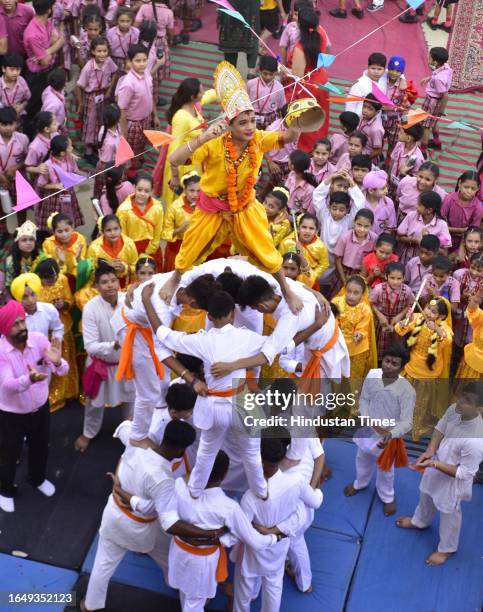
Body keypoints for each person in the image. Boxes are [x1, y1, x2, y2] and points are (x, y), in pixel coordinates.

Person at [164, 61, 303, 314]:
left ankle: (286, 289)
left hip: (245, 205)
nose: (250, 127)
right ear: (229, 124)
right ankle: (175, 279)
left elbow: (289, 137)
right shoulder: (214, 142)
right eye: (243, 123)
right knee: (191, 247)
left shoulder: (258, 140)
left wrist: (296, 117)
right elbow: (174, 159)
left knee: (266, 249)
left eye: (252, 120)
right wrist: (202, 138)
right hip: (212, 206)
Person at [142, 288, 270, 499]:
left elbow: (163, 334)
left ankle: (194, 492)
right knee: (251, 454)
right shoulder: (248, 338)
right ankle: (262, 494)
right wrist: (316, 325)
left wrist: (147, 303)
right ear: (232, 314)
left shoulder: (202, 340)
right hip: (241, 403)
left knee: (206, 454)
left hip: (213, 405)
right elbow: (280, 346)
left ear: (208, 316)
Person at [80, 420, 221, 612]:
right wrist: (209, 534)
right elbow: (170, 523)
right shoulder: (163, 479)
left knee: (103, 565)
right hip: (141, 530)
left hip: (113, 516)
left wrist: (119, 483)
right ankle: (185, 591)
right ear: (181, 451)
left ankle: (90, 606)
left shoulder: (135, 443)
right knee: (167, 552)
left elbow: (121, 427)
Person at [166, 450, 280, 612]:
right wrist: (276, 537)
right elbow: (255, 541)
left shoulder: (179, 485)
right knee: (193, 604)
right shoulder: (228, 507)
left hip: (178, 549)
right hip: (202, 561)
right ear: (224, 475)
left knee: (187, 594)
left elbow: (168, 517)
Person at [396, 383, 483, 565]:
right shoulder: (455, 409)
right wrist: (431, 449)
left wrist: (434, 463)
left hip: (453, 483)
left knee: (449, 513)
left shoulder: (476, 441)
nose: (460, 402)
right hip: (436, 463)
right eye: (462, 395)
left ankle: (447, 548)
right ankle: (420, 521)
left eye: (468, 401)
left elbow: (464, 473)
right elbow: (441, 426)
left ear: (479, 408)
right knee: (426, 494)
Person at [233, 437, 323, 612]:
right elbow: (313, 504)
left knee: (243, 593)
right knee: (274, 588)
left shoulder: (250, 497)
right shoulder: (296, 481)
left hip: (253, 552)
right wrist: (317, 489)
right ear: (283, 457)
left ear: (259, 459)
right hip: (279, 548)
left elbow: (241, 531)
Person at [0, 300, 68, 513]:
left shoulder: (38, 340)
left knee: (40, 446)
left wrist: (57, 363)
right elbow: (7, 385)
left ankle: (37, 479)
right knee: (9, 454)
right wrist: (28, 380)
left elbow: (62, 370)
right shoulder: (1, 352)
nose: (22, 328)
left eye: (22, 322)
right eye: (15, 324)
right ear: (4, 328)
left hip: (40, 407)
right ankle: (5, 491)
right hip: (12, 414)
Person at [344, 346, 416, 516]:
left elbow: (407, 422)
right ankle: (360, 483)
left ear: (402, 368)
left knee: (386, 470)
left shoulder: (407, 390)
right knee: (362, 458)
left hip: (388, 436)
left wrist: (390, 435)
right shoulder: (372, 374)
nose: (389, 365)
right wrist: (365, 417)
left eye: (394, 363)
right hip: (368, 428)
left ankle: (387, 497)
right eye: (387, 361)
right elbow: (364, 399)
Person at [74, 262, 134, 452]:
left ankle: (131, 432)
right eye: (104, 282)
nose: (110, 285)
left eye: (113, 281)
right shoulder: (91, 308)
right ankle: (89, 433)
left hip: (127, 363)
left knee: (132, 399)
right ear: (96, 286)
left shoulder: (129, 301)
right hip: (101, 365)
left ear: (119, 282)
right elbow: (90, 346)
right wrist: (113, 346)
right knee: (95, 403)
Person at [395, 297, 453, 440]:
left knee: (420, 402)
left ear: (442, 316)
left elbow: (448, 340)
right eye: (427, 308)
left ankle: (416, 426)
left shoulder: (444, 327)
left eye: (434, 312)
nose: (428, 313)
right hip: (411, 365)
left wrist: (437, 329)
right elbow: (400, 330)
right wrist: (405, 321)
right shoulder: (417, 317)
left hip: (428, 371)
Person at [153, 77, 215, 206]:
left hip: (194, 162)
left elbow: (208, 95)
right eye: (200, 92)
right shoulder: (181, 117)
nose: (203, 94)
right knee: (180, 206)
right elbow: (173, 150)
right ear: (192, 96)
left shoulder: (194, 107)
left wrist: (225, 90)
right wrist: (175, 177)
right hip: (183, 169)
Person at [36, 258, 79, 411]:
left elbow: (70, 299)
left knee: (62, 361)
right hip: (43, 332)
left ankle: (65, 394)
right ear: (40, 277)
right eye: (48, 279)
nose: (52, 281)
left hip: (62, 328)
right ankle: (46, 395)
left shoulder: (63, 279)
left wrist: (64, 304)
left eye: (54, 278)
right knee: (46, 364)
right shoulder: (34, 284)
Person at [285, 6, 330, 150]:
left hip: (307, 88)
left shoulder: (300, 48)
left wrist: (283, 70)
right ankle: (319, 148)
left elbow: (297, 77)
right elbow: (327, 53)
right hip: (321, 81)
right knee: (320, 116)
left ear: (299, 25)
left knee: (306, 122)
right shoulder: (321, 34)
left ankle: (306, 150)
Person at [22, 0, 64, 138]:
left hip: (47, 72)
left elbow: (59, 40)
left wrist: (46, 50)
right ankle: (31, 139)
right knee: (33, 110)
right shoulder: (32, 33)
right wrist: (50, 50)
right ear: (49, 9)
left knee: (46, 105)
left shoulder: (47, 22)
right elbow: (45, 61)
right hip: (36, 77)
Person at [75, 36, 118, 165]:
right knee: (90, 122)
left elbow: (115, 72)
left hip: (103, 95)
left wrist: (109, 91)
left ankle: (97, 143)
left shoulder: (109, 61)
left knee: (102, 120)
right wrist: (81, 103)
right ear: (93, 52)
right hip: (91, 97)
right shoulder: (88, 68)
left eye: (105, 51)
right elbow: (79, 86)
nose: (102, 54)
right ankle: (88, 152)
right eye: (99, 51)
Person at [117, 44, 159, 162]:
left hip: (145, 119)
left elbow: (150, 96)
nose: (142, 64)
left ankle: (136, 162)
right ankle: (129, 171)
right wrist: (124, 134)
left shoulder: (146, 74)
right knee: (129, 150)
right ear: (130, 61)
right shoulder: (128, 84)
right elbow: (121, 109)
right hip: (133, 123)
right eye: (138, 61)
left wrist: (154, 115)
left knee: (141, 144)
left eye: (144, 60)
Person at [35, 136, 85, 232]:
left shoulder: (69, 158)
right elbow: (40, 184)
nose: (72, 148)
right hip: (54, 197)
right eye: (70, 147)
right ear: (62, 153)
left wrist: (82, 176)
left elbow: (75, 171)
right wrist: (55, 185)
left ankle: (69, 232)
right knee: (56, 220)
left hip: (68, 193)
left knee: (69, 214)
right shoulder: (47, 166)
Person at [332, 275, 377, 380]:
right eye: (348, 291)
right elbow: (332, 322)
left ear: (362, 295)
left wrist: (359, 334)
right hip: (336, 344)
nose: (351, 296)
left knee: (353, 378)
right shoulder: (336, 302)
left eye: (356, 293)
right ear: (344, 289)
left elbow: (363, 328)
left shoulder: (365, 310)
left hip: (357, 348)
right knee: (335, 375)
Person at [116, 173, 164, 270]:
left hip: (152, 248)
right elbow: (122, 236)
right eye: (139, 190)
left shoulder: (157, 207)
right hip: (132, 248)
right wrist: (131, 252)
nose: (142, 194)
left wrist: (150, 250)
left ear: (152, 191)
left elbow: (158, 231)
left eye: (146, 191)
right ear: (134, 188)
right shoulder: (123, 210)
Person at [370, 261, 414, 358]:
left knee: (396, 344)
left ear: (404, 278)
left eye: (399, 278)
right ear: (386, 276)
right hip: (381, 322)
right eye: (392, 278)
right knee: (378, 345)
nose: (395, 281)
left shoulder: (407, 291)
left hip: (398, 323)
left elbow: (409, 305)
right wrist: (380, 315)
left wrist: (400, 316)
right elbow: (371, 303)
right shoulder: (378, 289)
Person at [397, 191, 452, 264]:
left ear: (429, 210)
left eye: (419, 205)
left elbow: (444, 252)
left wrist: (427, 245)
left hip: (429, 264)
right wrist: (416, 240)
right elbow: (398, 237)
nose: (416, 206)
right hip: (407, 258)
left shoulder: (442, 225)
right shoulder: (411, 216)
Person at [162, 171, 200, 272]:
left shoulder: (204, 207)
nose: (195, 195)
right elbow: (165, 233)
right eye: (191, 191)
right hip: (176, 252)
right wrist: (180, 230)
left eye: (198, 191)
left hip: (196, 251)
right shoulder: (175, 207)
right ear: (184, 190)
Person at [278, 213, 329, 289]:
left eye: (311, 228)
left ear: (316, 231)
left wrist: (312, 275)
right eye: (304, 227)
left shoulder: (320, 246)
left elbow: (324, 264)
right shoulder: (287, 242)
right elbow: (279, 261)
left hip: (309, 282)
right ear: (298, 228)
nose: (307, 231)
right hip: (287, 278)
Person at [87, 215, 138, 288]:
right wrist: (106, 267)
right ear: (102, 232)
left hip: (126, 284)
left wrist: (125, 268)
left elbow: (136, 266)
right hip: (105, 286)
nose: (113, 233)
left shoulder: (129, 244)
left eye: (116, 229)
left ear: (121, 229)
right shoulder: (94, 248)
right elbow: (90, 272)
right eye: (108, 230)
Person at [10, 272, 64, 342]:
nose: (30, 300)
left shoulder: (49, 309)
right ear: (18, 298)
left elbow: (58, 329)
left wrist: (55, 345)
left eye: (33, 294)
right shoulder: (14, 317)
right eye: (24, 297)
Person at [420, 47, 453, 154]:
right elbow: (437, 76)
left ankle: (423, 150)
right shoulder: (445, 67)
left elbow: (445, 95)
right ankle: (436, 141)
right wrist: (429, 78)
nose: (427, 57)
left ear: (435, 61)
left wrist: (441, 111)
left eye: (429, 56)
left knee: (425, 125)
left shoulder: (438, 79)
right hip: (435, 102)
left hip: (432, 101)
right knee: (434, 122)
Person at [441, 171, 482, 252]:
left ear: (478, 188)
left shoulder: (478, 207)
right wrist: (462, 230)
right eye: (466, 187)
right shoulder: (449, 199)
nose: (469, 191)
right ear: (460, 183)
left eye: (473, 189)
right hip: (445, 236)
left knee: (459, 259)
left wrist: (461, 249)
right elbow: (441, 223)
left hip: (465, 242)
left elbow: (472, 232)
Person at [334, 208, 377, 284]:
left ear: (371, 226)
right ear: (354, 222)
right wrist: (343, 280)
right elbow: (337, 259)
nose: (362, 229)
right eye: (359, 225)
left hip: (363, 275)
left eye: (366, 226)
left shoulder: (374, 239)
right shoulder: (345, 238)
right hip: (345, 273)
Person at [218, 0, 259, 79]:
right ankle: (251, 72)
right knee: (251, 36)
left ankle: (231, 75)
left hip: (231, 8)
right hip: (249, 9)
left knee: (230, 40)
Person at [42, 212, 87, 284]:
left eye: (67, 230)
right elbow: (50, 269)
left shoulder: (80, 239)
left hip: (77, 277)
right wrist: (61, 262)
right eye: (60, 231)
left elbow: (85, 266)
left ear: (72, 227)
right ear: (53, 232)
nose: (64, 235)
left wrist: (78, 259)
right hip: (59, 279)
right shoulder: (48, 244)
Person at [246, 55, 285, 130]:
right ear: (259, 70)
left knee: (268, 140)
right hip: (253, 116)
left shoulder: (279, 87)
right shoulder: (251, 84)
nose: (268, 77)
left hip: (271, 120)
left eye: (271, 74)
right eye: (265, 73)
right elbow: (245, 101)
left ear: (276, 72)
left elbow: (281, 107)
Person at [2, 220, 42, 293]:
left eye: (31, 239)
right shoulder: (10, 261)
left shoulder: (41, 255)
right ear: (17, 243)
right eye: (24, 240)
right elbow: (9, 285)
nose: (28, 243)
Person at [24, 111, 59, 188]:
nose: (58, 123)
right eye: (54, 123)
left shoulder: (55, 135)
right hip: (43, 180)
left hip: (57, 174)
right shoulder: (35, 147)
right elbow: (27, 167)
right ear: (47, 129)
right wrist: (37, 169)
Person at [389, 124, 425, 189]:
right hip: (392, 181)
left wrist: (403, 173)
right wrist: (388, 177)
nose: (398, 134)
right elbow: (392, 161)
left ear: (408, 138)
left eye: (401, 132)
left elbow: (416, 180)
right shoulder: (399, 144)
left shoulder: (418, 159)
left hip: (404, 188)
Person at [362, 170, 397, 237]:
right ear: (371, 191)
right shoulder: (359, 203)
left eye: (386, 187)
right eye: (383, 188)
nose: (386, 191)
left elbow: (389, 228)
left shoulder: (388, 203)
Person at [106, 7, 139, 74]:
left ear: (132, 21)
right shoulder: (111, 32)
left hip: (129, 61)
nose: (125, 24)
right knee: (114, 80)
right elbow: (108, 48)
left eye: (128, 21)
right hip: (114, 60)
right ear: (117, 20)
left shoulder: (136, 32)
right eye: (122, 21)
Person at [284, 149, 318, 214]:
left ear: (292, 166)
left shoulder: (310, 190)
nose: (288, 161)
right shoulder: (292, 174)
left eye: (289, 160)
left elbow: (303, 211)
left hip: (294, 217)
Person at [0, 54, 31, 122]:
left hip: (18, 117)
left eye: (18, 69)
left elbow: (27, 98)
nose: (15, 73)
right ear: (3, 69)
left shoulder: (21, 81)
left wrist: (22, 106)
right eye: (12, 69)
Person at [40, 67, 67, 136]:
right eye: (65, 81)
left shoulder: (49, 88)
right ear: (63, 84)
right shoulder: (53, 104)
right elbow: (47, 121)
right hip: (52, 132)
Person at [358, 94, 384, 161]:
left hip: (367, 159)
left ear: (377, 112)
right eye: (364, 106)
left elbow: (378, 151)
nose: (365, 111)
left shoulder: (376, 129)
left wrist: (365, 159)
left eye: (370, 109)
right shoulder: (362, 116)